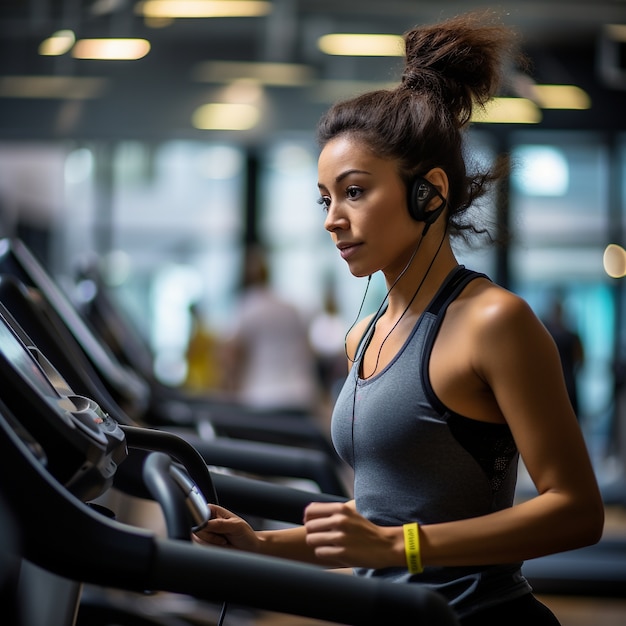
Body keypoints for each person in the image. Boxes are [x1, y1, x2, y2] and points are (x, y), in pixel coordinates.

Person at [195, 12, 604, 625]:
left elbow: (577, 510)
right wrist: (262, 545)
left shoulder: (493, 322)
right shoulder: (365, 333)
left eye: (354, 191)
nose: (332, 217)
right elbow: (379, 524)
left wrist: (400, 547)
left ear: (428, 193)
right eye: (325, 198)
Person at [220, 243, 320, 415]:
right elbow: (309, 351)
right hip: (300, 395)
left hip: (261, 397)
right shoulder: (291, 308)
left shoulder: (247, 306)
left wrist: (228, 390)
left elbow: (232, 355)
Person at [542, 293, 585, 419]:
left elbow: (580, 359)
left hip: (567, 381)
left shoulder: (570, 335)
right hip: (558, 382)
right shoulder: (550, 333)